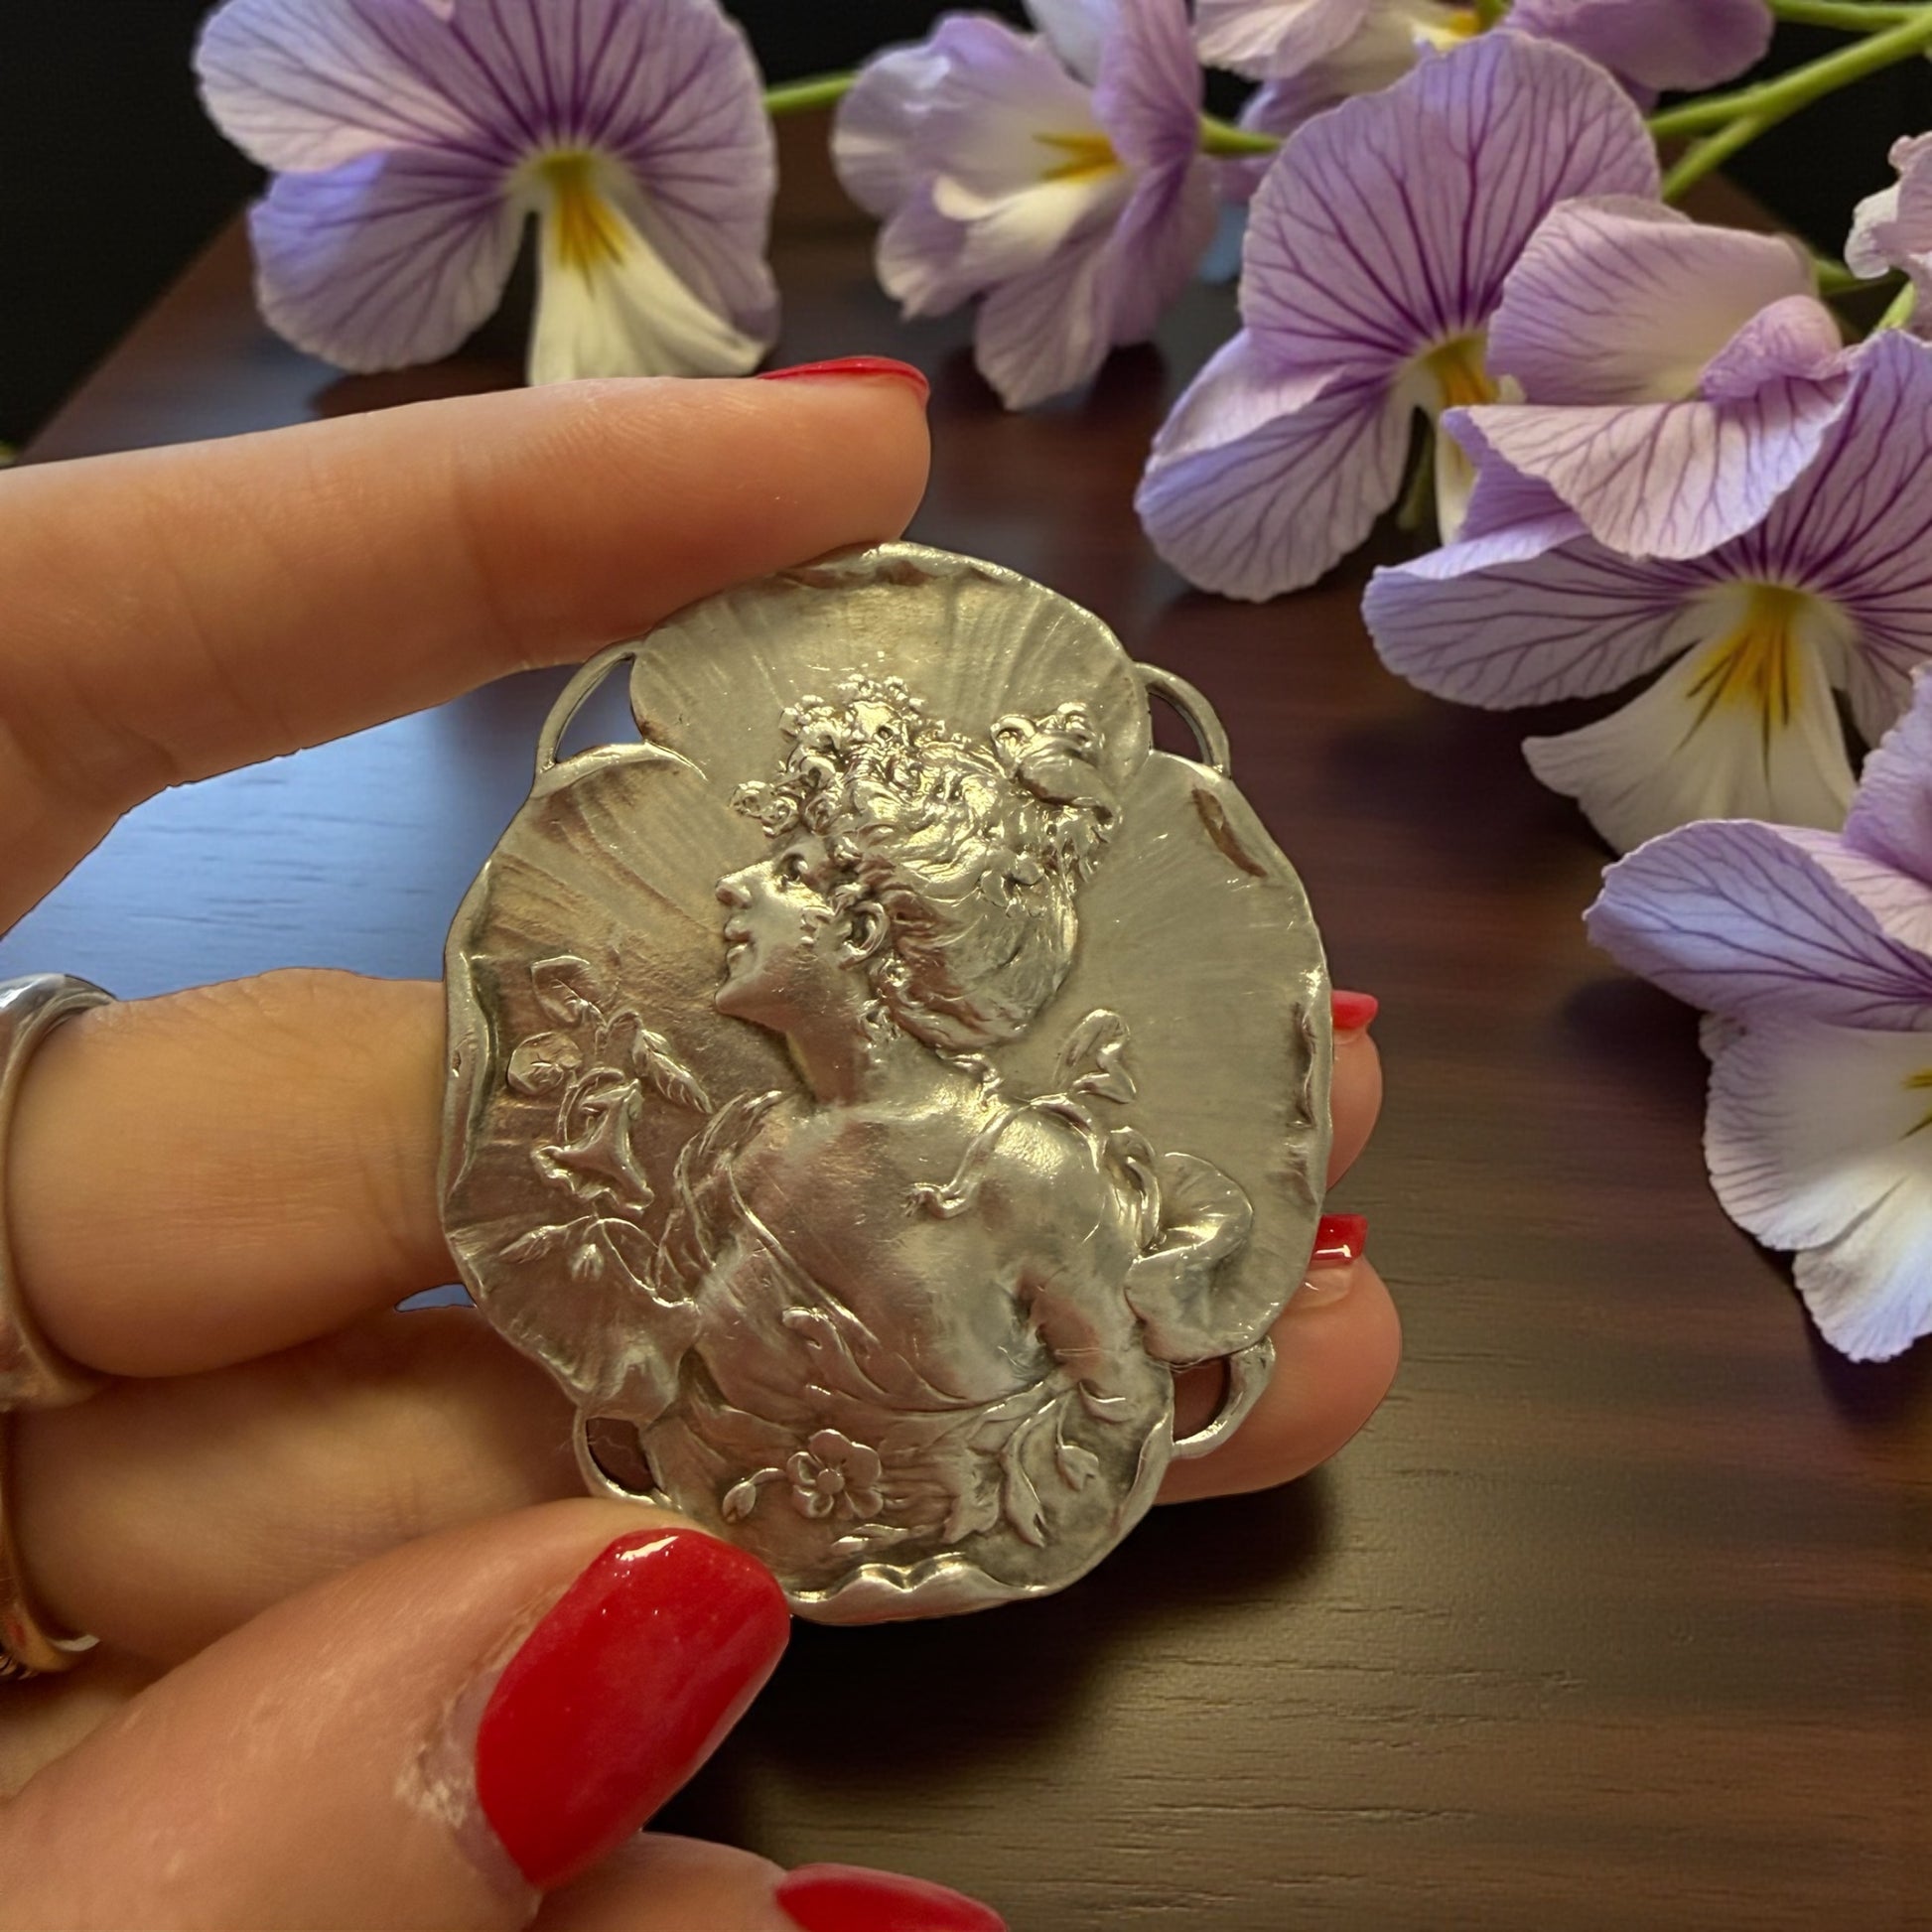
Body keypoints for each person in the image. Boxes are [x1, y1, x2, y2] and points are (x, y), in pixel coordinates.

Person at [0, 362, 1399, 1929]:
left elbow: (1110, 1394)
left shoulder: (1028, 1173)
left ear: (869, 930)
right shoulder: (745, 1156)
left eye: (780, 871)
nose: (732, 891)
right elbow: (680, 1367)